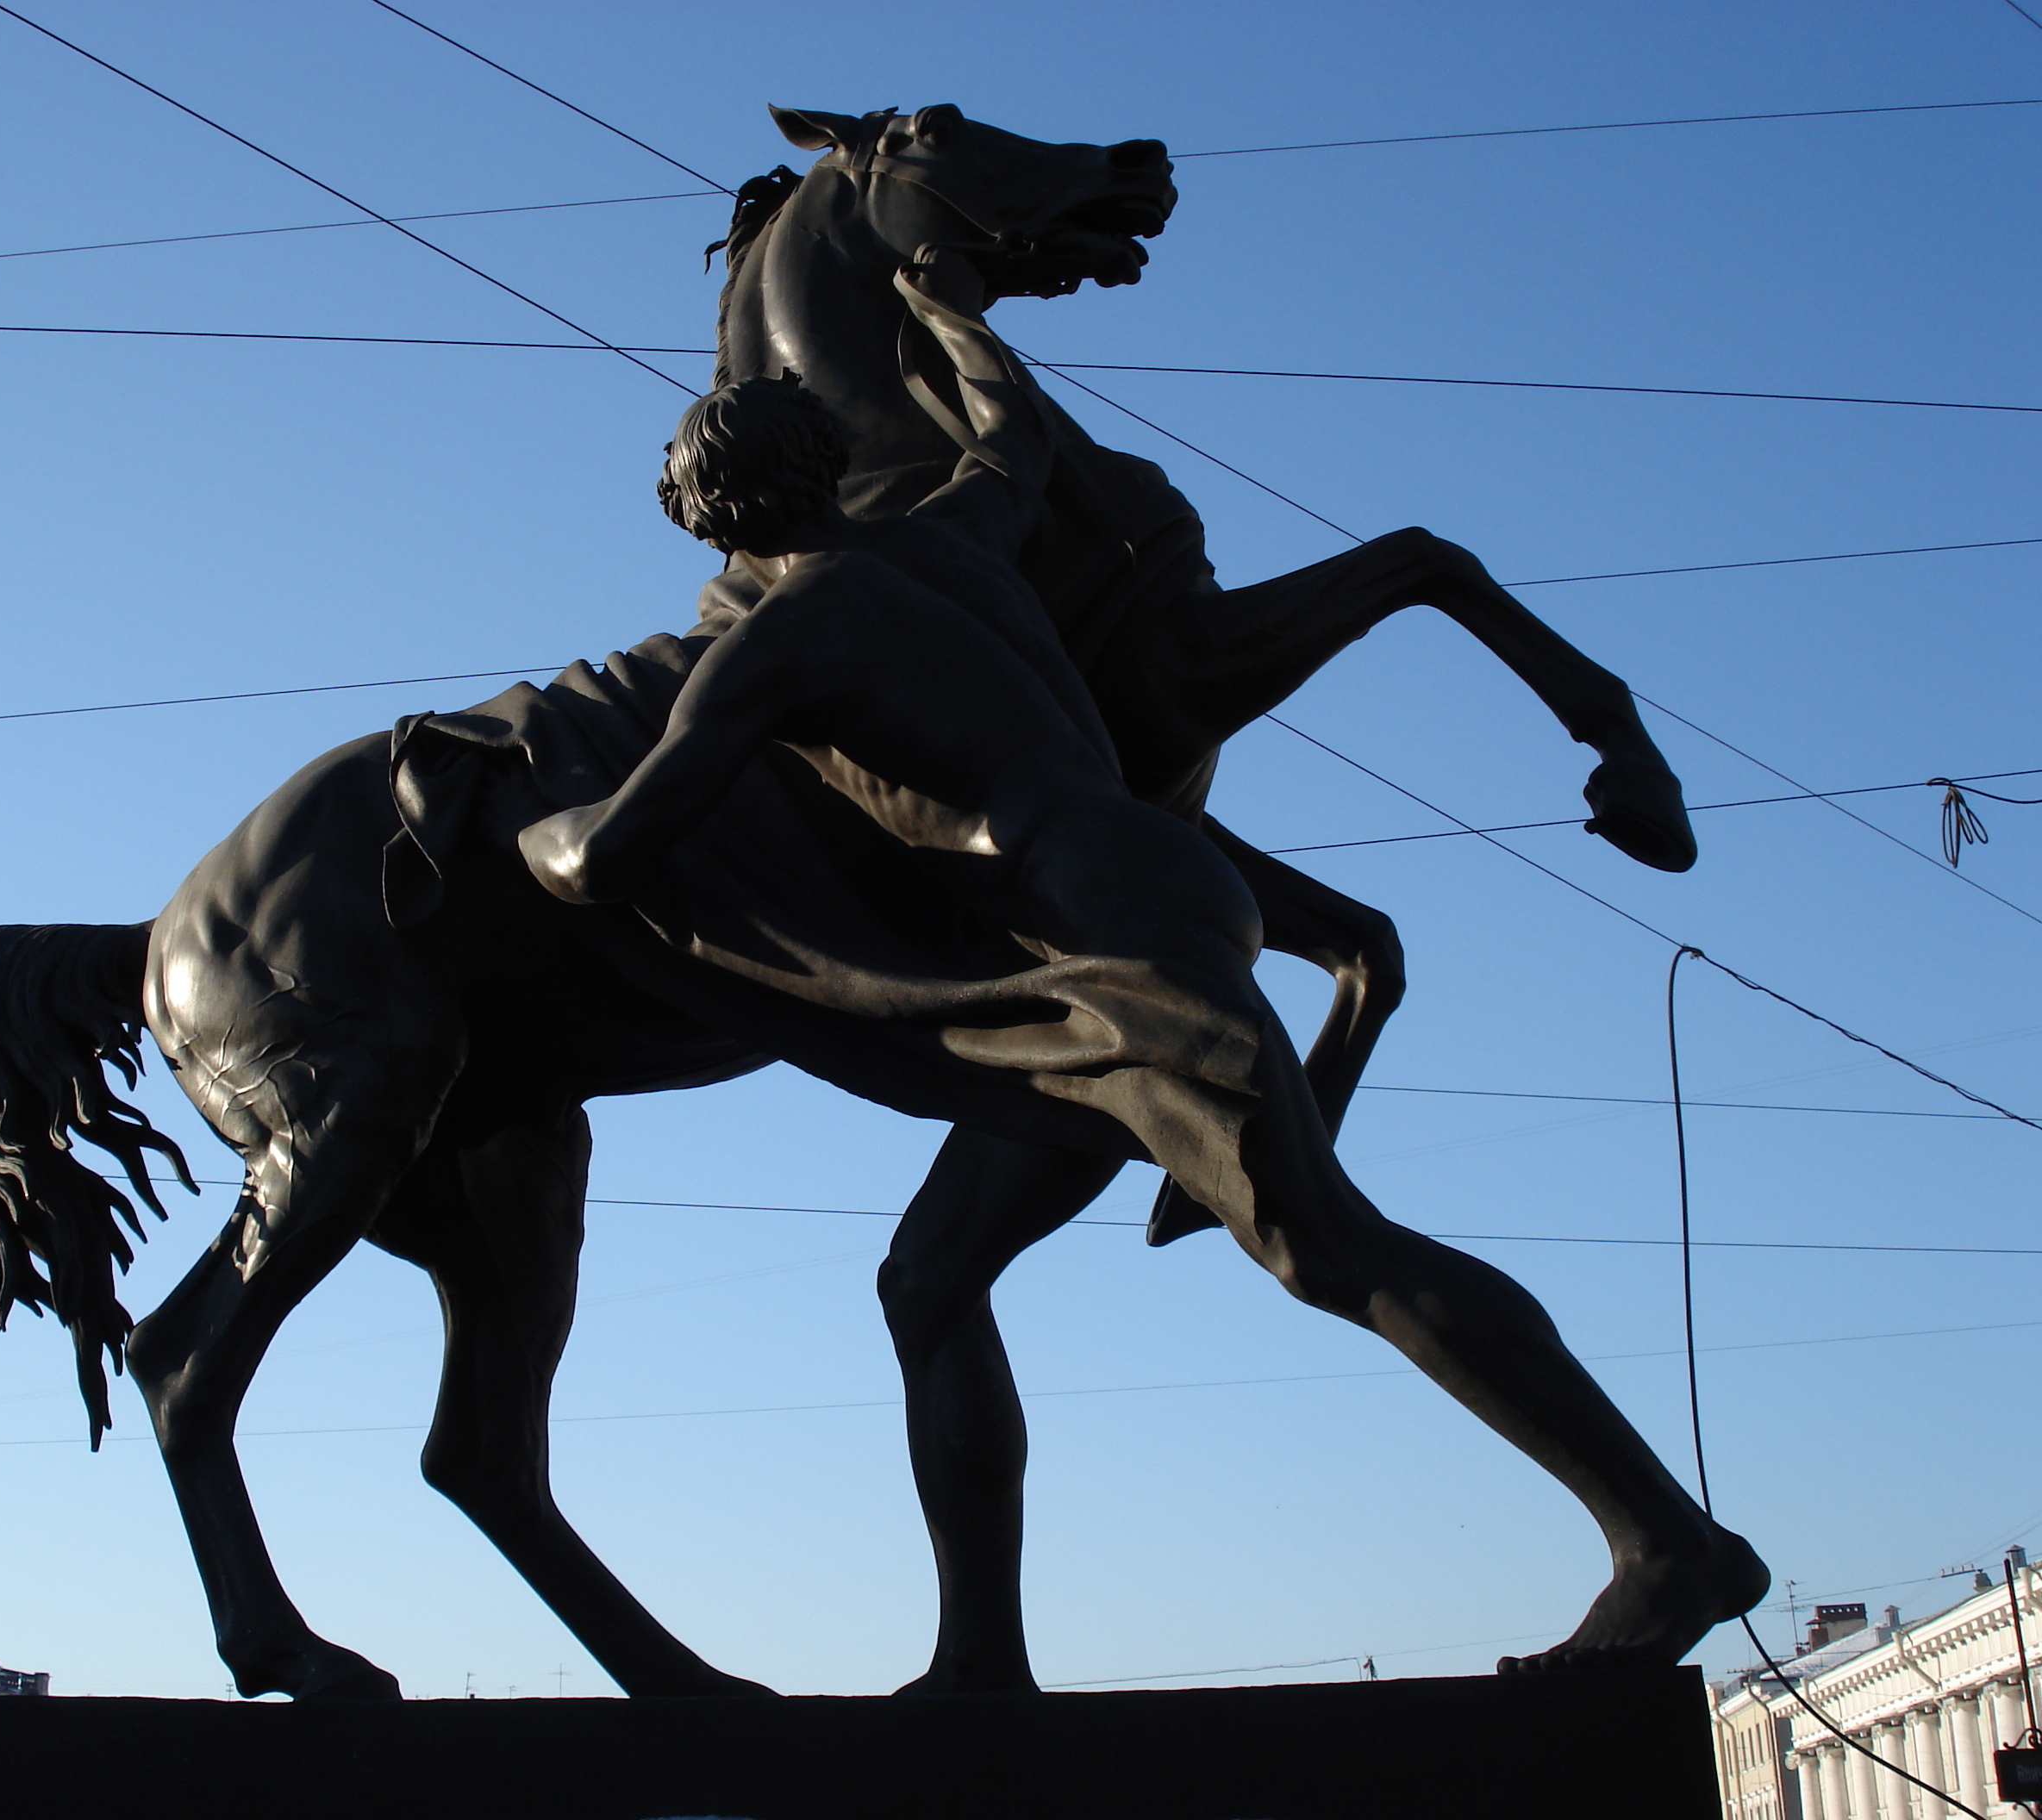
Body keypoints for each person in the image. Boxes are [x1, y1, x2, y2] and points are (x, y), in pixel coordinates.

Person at [517, 247, 1768, 1677]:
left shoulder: (780, 638)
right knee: (929, 1277)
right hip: (1131, 897)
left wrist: (534, 836)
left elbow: (618, 853)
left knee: (1324, 1244)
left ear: (712, 524)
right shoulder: (953, 538)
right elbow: (1009, 436)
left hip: (1099, 931)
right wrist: (943, 310)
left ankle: (1666, 1542)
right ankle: (982, 1660)